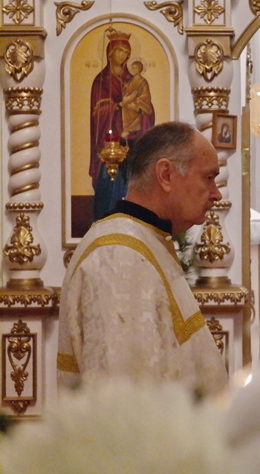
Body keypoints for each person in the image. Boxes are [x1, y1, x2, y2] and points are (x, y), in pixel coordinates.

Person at [58, 122, 228, 395]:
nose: (216, 193)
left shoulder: (143, 240)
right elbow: (125, 398)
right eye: (208, 178)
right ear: (166, 175)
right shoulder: (118, 257)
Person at [89, 29, 155, 222]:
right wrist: (117, 106)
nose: (123, 55)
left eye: (126, 52)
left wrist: (141, 110)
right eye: (120, 51)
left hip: (132, 142)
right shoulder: (101, 81)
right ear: (110, 53)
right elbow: (97, 114)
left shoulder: (135, 80)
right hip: (109, 147)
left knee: (132, 184)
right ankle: (105, 224)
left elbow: (148, 110)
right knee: (109, 186)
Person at [119, 60, 154, 140]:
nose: (134, 70)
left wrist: (135, 102)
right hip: (128, 103)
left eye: (136, 68)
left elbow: (146, 95)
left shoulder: (143, 81)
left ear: (140, 69)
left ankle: (128, 130)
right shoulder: (131, 80)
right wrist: (125, 88)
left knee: (135, 113)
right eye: (133, 68)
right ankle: (127, 130)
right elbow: (127, 91)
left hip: (137, 104)